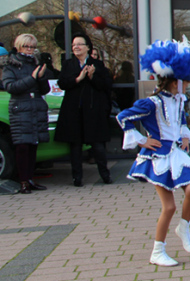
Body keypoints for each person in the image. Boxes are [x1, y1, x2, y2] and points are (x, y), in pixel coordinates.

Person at [116, 38, 190, 267]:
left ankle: (183, 227)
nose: (188, 86)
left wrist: (185, 134)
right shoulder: (152, 103)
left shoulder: (179, 99)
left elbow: (180, 120)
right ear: (175, 81)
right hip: (158, 157)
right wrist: (141, 140)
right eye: (186, 82)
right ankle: (157, 251)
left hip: (176, 154)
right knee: (169, 206)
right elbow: (123, 117)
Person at [55, 33, 113, 187]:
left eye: (79, 44)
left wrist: (92, 77)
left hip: (93, 112)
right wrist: (77, 79)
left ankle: (105, 175)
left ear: (88, 47)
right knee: (75, 146)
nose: (76, 47)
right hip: (74, 112)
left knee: (98, 146)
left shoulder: (97, 65)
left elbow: (105, 86)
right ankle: (77, 178)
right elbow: (62, 83)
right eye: (74, 45)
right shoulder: (68, 64)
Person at [2, 34, 52, 194]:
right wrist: (32, 78)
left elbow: (45, 90)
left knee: (33, 145)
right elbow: (11, 87)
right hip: (20, 108)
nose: (29, 50)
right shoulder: (10, 65)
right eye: (26, 46)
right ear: (18, 47)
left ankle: (30, 179)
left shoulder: (36, 63)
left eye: (32, 47)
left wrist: (42, 77)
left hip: (35, 107)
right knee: (22, 146)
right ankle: (23, 181)